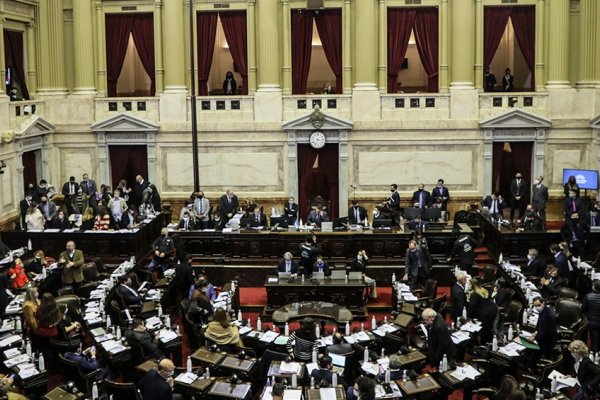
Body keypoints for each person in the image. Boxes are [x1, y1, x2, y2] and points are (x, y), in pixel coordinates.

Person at [468, 278, 498, 344]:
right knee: (489, 328)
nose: (468, 285)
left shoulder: (475, 294)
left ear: (473, 285)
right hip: (493, 309)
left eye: (469, 284)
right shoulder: (483, 290)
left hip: (485, 313)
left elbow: (472, 307)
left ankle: (483, 345)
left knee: (484, 330)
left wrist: (469, 317)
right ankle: (489, 343)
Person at [582, 280, 600, 353]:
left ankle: (595, 354)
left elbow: (583, 309)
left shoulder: (588, 296)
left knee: (594, 339)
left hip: (592, 322)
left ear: (593, 287)